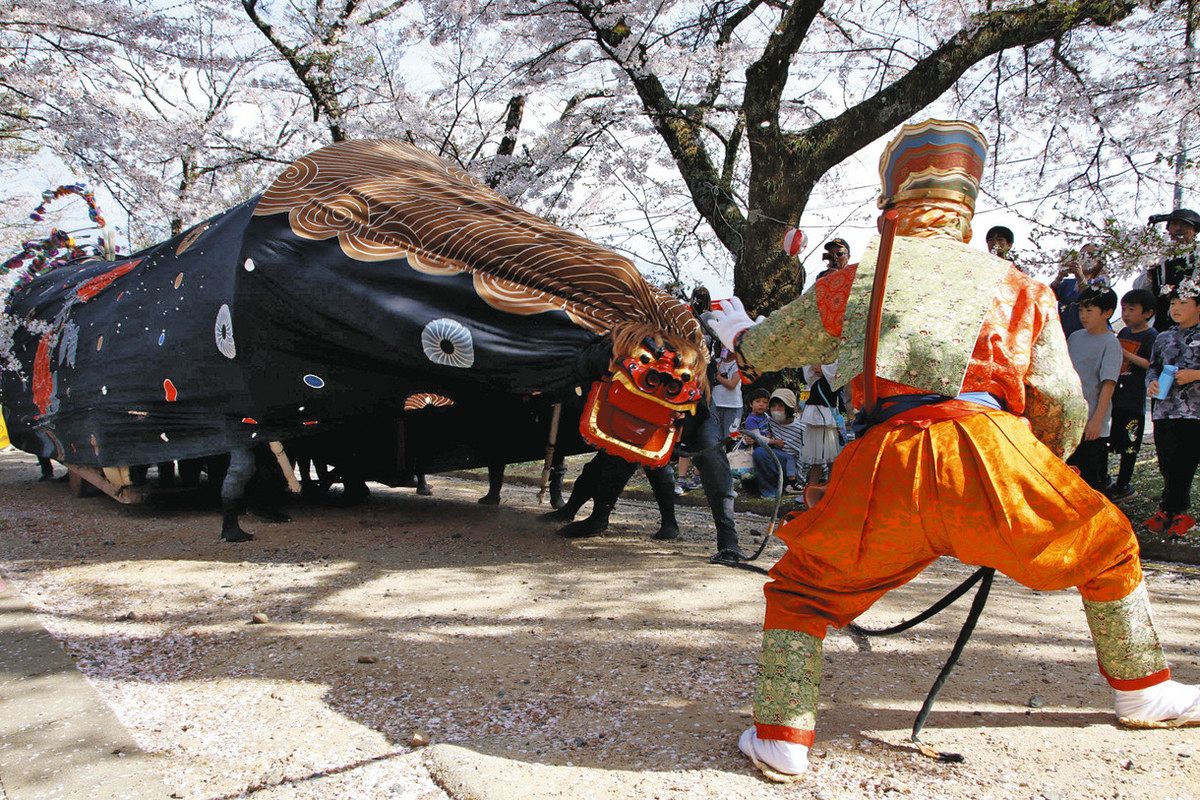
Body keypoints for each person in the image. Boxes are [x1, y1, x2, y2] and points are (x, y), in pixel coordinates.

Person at [704, 119, 1199, 782]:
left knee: (804, 589)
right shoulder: (1020, 286)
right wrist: (1036, 469)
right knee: (1107, 547)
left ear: (891, 206)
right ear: (966, 212)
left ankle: (782, 737)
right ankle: (1143, 690)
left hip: (887, 458)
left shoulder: (854, 281)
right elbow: (1061, 402)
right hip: (996, 452)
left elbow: (764, 350)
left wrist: (739, 333)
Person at [1145, 276, 1200, 538]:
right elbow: (1153, 367)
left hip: (1194, 411)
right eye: (1173, 303)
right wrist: (1152, 382)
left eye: (1183, 303)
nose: (1176, 308)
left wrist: (1195, 375)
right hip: (1164, 409)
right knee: (1166, 461)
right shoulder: (1163, 337)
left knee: (1185, 461)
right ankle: (1169, 511)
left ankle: (1176, 511)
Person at [1066, 285, 1122, 492]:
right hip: (1071, 417)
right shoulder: (1075, 337)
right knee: (1070, 476)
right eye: (1081, 310)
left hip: (1092, 421)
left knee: (1091, 481)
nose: (1083, 315)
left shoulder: (1110, 343)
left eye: (1089, 310)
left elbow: (1108, 384)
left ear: (1107, 312)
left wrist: (1097, 421)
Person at [1107, 289, 1158, 501]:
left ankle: (1124, 485)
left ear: (1147, 313)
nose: (1126, 314)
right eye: (1123, 309)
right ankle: (1107, 479)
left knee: (1130, 443)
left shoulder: (1151, 336)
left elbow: (1150, 364)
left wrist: (1126, 354)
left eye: (1131, 309)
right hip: (1116, 396)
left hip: (1134, 399)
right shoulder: (1124, 333)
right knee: (1112, 439)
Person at [1141, 208, 1199, 329]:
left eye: (1184, 225)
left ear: (1194, 231)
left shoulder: (1197, 257)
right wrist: (1150, 275)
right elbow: (1141, 291)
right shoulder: (1158, 256)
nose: (1178, 228)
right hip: (1161, 326)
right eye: (1174, 224)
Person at [749, 388, 803, 499]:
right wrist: (748, 438)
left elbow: (812, 455)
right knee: (760, 452)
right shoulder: (769, 421)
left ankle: (789, 484)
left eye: (781, 406)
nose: (776, 409)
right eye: (773, 406)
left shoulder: (802, 428)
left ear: (789, 407)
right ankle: (770, 491)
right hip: (777, 463)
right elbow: (755, 434)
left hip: (796, 470)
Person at [798, 363, 844, 489]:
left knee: (831, 459)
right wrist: (816, 365)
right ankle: (812, 488)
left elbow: (835, 371)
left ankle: (832, 487)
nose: (815, 367)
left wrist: (824, 367)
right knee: (815, 459)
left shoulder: (834, 380)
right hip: (813, 419)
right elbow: (808, 371)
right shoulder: (814, 380)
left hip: (827, 419)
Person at [1052, 242, 1107, 337]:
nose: (1084, 258)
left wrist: (1080, 277)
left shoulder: (1101, 283)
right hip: (1065, 335)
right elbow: (1049, 297)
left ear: (1099, 263)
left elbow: (1093, 300)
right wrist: (1059, 278)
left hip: (1089, 336)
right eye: (1081, 255)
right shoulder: (1067, 283)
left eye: (1090, 255)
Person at [712, 346, 743, 443]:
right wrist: (713, 369)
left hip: (733, 406)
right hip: (716, 404)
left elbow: (732, 384)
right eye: (723, 344)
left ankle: (730, 452)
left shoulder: (739, 364)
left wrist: (717, 376)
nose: (725, 347)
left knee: (730, 438)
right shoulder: (715, 362)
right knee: (715, 437)